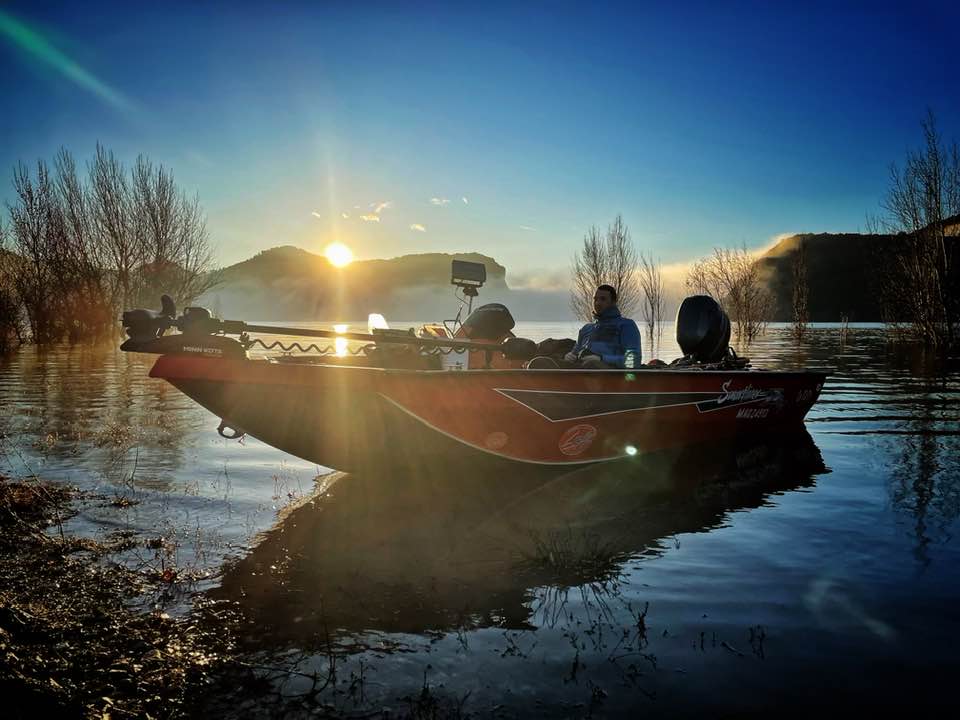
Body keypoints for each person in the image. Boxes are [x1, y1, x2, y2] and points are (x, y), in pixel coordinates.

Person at [564, 284, 641, 369]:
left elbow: (634, 360)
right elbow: (575, 352)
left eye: (603, 299)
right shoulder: (587, 328)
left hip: (608, 374)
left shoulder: (626, 325)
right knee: (547, 361)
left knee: (592, 364)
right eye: (595, 299)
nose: (597, 303)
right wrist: (569, 356)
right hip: (577, 371)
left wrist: (601, 359)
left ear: (613, 302)